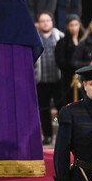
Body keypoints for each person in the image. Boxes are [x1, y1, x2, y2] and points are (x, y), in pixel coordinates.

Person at [35, 12, 63, 145]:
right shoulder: (34, 37)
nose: (45, 23)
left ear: (52, 22)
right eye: (42, 21)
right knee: (44, 109)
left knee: (61, 108)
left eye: (48, 20)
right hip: (41, 80)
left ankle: (62, 135)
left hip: (58, 80)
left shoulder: (60, 36)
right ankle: (47, 135)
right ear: (38, 24)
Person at [54, 14, 83, 108]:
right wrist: (72, 67)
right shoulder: (62, 43)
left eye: (76, 24)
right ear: (67, 27)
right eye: (71, 25)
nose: (74, 28)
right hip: (67, 79)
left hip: (83, 78)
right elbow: (60, 61)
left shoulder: (84, 41)